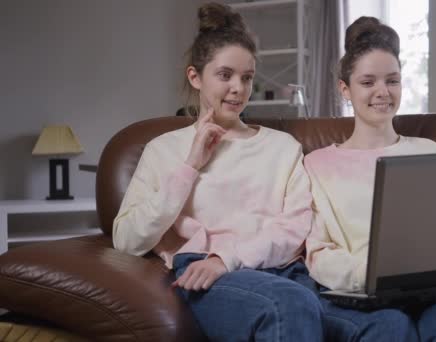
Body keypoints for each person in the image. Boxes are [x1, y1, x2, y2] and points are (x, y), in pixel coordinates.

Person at [112, 3, 323, 341]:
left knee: (386, 323)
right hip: (209, 277)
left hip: (285, 271)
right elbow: (127, 240)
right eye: (225, 75)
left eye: (247, 77)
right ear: (195, 77)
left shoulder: (283, 147)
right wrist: (190, 165)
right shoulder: (164, 150)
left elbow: (296, 226)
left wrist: (229, 257)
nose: (238, 88)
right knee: (288, 304)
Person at [304, 16, 436, 341]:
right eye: (368, 82)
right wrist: (369, 275)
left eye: (392, 81)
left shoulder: (432, 152)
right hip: (361, 294)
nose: (382, 92)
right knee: (390, 326)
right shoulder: (317, 165)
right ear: (345, 89)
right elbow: (318, 253)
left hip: (430, 288)